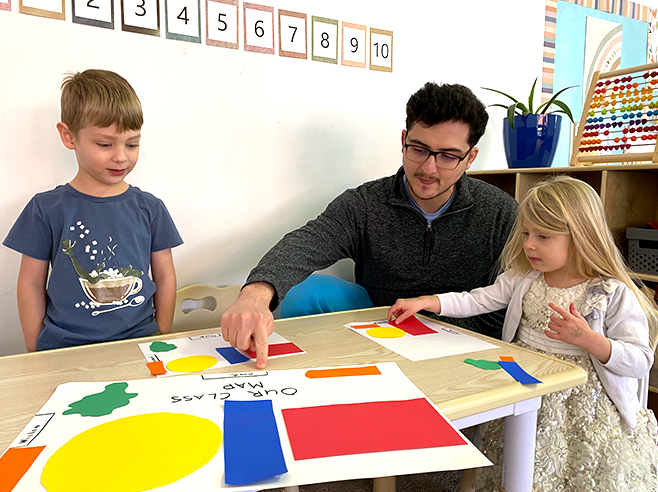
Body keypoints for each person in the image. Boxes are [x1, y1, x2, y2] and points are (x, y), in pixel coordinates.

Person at [222, 82, 519, 369]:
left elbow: (514, 297)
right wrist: (255, 295)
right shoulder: (366, 203)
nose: (429, 168)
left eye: (448, 156)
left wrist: (438, 333)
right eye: (418, 149)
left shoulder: (499, 211)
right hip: (381, 322)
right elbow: (308, 242)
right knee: (306, 291)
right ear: (403, 140)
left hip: (461, 335)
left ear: (470, 158)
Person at [388, 176, 658, 491]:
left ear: (582, 236)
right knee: (514, 462)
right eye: (527, 233)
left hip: (580, 398)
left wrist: (590, 340)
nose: (529, 244)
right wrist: (429, 302)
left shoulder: (610, 292)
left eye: (543, 236)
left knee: (569, 471)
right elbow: (478, 299)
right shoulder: (525, 279)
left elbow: (640, 361)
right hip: (525, 381)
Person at [3, 69, 183, 352]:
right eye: (104, 144)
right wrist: (34, 348)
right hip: (64, 347)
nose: (121, 156)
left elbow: (164, 275)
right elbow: (30, 282)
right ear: (68, 136)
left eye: (132, 143)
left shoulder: (151, 208)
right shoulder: (45, 208)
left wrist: (162, 333)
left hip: (140, 342)